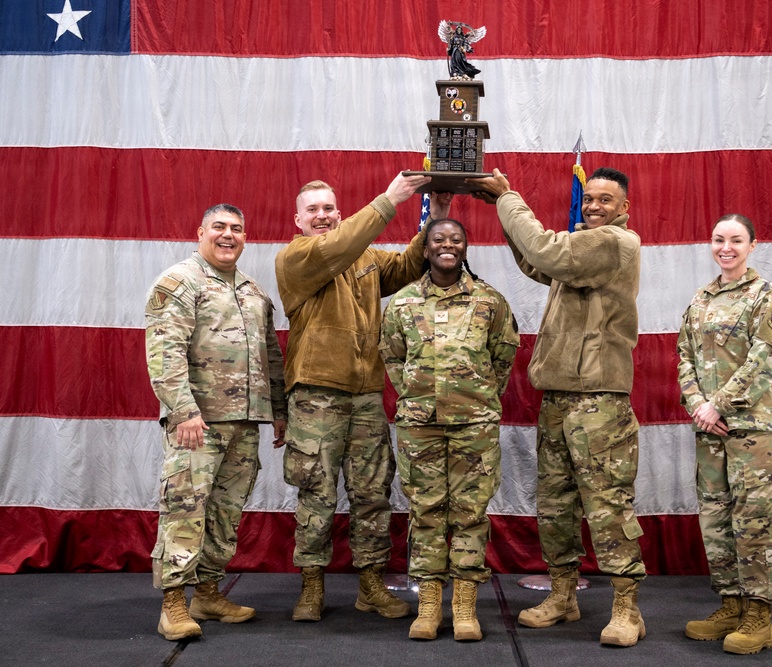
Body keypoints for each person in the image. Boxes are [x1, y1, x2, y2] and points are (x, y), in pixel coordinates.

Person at [470, 167, 647, 647]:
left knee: (608, 506)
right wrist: (504, 215)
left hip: (599, 401)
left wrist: (507, 197)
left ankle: (627, 607)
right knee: (555, 506)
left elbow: (548, 251)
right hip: (557, 399)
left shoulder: (615, 243)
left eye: (605, 200)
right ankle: (563, 596)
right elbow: (537, 263)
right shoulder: (582, 253)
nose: (593, 207)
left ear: (624, 209)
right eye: (589, 199)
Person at [275, 173, 449, 622]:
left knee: (373, 493)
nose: (322, 216)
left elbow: (410, 266)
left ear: (338, 212)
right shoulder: (295, 257)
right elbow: (336, 249)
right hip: (316, 394)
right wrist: (389, 200)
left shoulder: (366, 257)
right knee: (316, 491)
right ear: (298, 220)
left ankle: (370, 584)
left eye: (328, 208)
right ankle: (312, 585)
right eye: (312, 209)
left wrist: (439, 215)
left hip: (366, 394)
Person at [145, 203, 287, 641]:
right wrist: (183, 410)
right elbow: (165, 351)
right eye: (220, 227)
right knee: (185, 509)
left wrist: (279, 410)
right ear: (201, 232)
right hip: (198, 422)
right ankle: (173, 603)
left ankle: (207, 592)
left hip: (245, 423)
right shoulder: (180, 281)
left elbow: (271, 356)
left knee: (226, 512)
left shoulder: (254, 292)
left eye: (237, 229)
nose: (229, 235)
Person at [379, 218, 519, 642]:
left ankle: (463, 606)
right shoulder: (402, 302)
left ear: (465, 247)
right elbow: (392, 357)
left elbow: (504, 355)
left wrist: (475, 398)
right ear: (425, 248)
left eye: (456, 239)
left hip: (473, 427)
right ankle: (427, 606)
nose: (447, 245)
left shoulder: (489, 301)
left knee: (469, 513)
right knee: (425, 512)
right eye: (438, 239)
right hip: (420, 427)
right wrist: (417, 396)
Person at [676, 213, 772, 655]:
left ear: (753, 245)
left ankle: (760, 616)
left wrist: (716, 405)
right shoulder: (700, 299)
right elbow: (683, 356)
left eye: (736, 240)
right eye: (719, 239)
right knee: (718, 520)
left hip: (753, 432)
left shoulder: (765, 296)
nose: (726, 247)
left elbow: (764, 361)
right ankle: (732, 604)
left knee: (755, 522)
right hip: (710, 431)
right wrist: (697, 408)